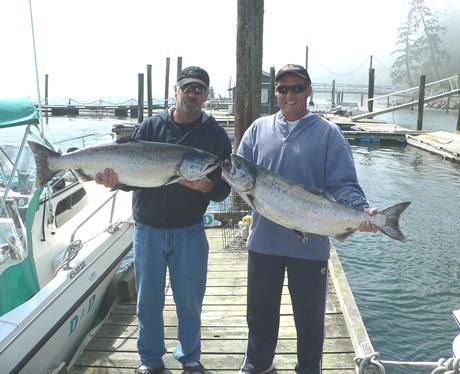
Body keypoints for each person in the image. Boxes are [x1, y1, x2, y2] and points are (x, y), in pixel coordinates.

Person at [236, 64, 378, 374]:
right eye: (283, 88)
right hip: (263, 242)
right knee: (259, 313)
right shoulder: (257, 129)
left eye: (297, 88)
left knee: (310, 317)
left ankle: (309, 369)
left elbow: (344, 184)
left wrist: (361, 211)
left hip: (311, 245)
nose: (289, 94)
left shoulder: (329, 133)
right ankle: (258, 364)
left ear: (309, 91)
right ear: (276, 92)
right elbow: (239, 173)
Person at [96, 66, 232, 374]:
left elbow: (224, 189)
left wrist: (205, 186)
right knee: (148, 301)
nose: (193, 94)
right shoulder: (150, 127)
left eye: (199, 89)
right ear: (176, 90)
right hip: (148, 229)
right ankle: (150, 360)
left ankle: (190, 359)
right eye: (188, 88)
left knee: (189, 301)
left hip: (190, 231)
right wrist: (113, 180)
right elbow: (132, 178)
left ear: (206, 95)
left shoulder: (215, 135)